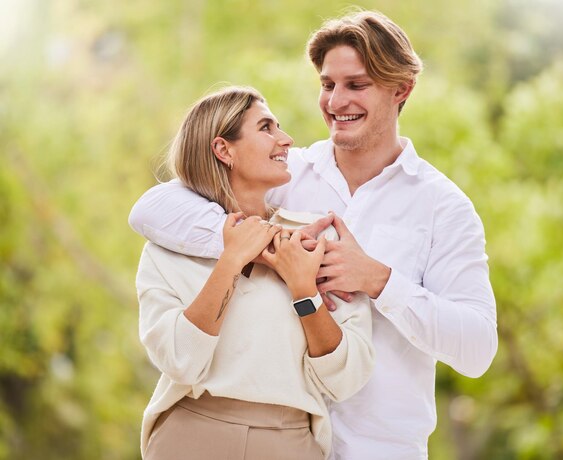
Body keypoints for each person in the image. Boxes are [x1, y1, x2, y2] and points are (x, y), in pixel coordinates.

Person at [130, 11, 497, 460]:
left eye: (356, 85)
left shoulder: (444, 207)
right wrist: (265, 248)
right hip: (285, 438)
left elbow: (477, 348)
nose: (336, 101)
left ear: (401, 89)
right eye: (328, 85)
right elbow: (152, 209)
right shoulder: (285, 175)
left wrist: (379, 280)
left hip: (379, 449)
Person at [134, 86, 374, 460]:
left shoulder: (314, 241)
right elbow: (181, 361)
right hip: (189, 435)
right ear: (223, 149)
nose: (286, 139)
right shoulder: (167, 250)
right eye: (266, 128)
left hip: (289, 441)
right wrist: (231, 260)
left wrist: (303, 289)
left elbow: (347, 377)